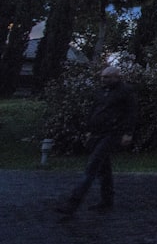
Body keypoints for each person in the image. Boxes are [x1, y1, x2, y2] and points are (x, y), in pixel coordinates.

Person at [56, 66, 137, 215]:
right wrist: (89, 130)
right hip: (97, 132)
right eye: (102, 77)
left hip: (112, 133)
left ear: (116, 77)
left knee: (92, 166)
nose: (103, 80)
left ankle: (73, 202)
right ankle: (107, 200)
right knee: (104, 168)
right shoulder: (101, 92)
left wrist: (128, 133)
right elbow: (94, 110)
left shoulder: (125, 91)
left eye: (107, 77)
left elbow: (131, 113)